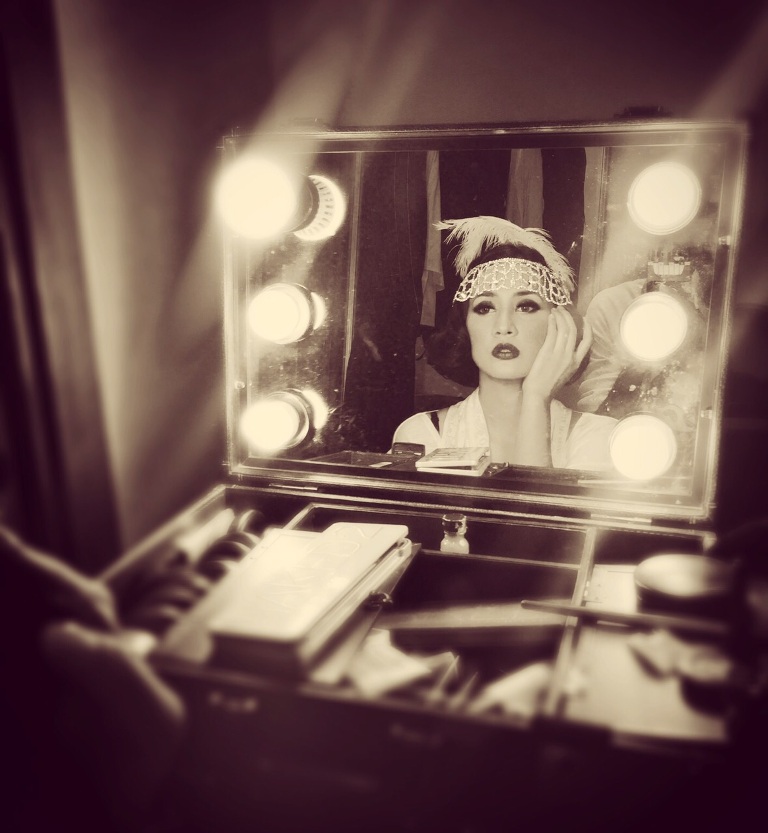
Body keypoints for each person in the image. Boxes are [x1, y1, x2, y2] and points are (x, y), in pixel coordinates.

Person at [393, 216, 617, 471]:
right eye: (485, 307)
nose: (503, 326)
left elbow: (529, 499)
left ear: (559, 324)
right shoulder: (422, 436)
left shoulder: (598, 438)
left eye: (526, 306)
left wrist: (536, 399)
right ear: (465, 324)